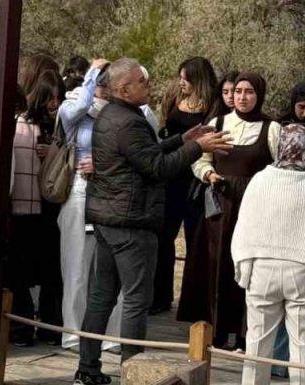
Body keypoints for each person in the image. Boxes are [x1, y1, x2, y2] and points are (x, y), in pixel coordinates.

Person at [74, 58, 231, 385]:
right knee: (135, 300)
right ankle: (132, 372)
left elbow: (146, 153)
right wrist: (197, 148)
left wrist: (182, 139)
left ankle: (87, 368)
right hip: (131, 222)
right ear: (124, 89)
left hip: (109, 220)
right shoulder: (129, 122)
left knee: (102, 297)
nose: (149, 85)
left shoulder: (112, 114)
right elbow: (156, 167)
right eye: (142, 81)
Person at [178, 73, 282, 348]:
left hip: (255, 207)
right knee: (218, 264)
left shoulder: (271, 128)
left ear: (259, 95)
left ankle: (246, 333)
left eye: (249, 92)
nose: (242, 97)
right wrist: (208, 173)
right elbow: (200, 158)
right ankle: (216, 331)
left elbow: (280, 166)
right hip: (222, 204)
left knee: (250, 267)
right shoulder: (218, 124)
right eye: (238, 91)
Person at [233, 124, 305, 385]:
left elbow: (244, 226)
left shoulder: (260, 180)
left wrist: (244, 267)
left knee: (256, 343)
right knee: (304, 345)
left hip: (262, 266)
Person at [153, 56, 220, 314]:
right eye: (180, 77)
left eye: (186, 78)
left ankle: (193, 303)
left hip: (196, 180)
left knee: (195, 239)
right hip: (171, 175)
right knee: (164, 237)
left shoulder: (213, 106)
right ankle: (160, 297)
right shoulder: (174, 98)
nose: (181, 82)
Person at [56, 58, 109, 351]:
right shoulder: (73, 104)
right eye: (100, 81)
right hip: (79, 187)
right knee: (76, 264)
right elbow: (78, 109)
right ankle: (73, 333)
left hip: (110, 190)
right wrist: (91, 76)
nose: (105, 86)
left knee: (106, 267)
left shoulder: (120, 110)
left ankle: (108, 335)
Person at [7, 72, 62, 346]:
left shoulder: (59, 126)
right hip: (25, 208)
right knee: (23, 273)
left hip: (47, 208)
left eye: (58, 98)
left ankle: (43, 327)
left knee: (46, 273)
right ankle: (26, 328)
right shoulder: (20, 124)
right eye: (51, 97)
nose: (55, 103)